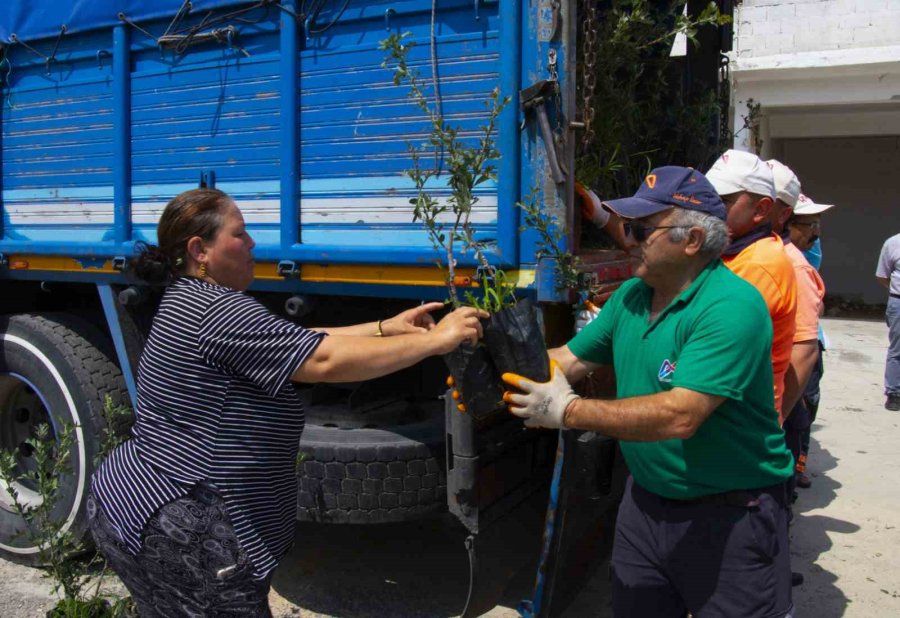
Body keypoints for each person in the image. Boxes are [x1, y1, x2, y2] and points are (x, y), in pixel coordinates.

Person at [88, 188, 487, 617]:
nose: (252, 244)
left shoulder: (191, 299)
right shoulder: (216, 311)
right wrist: (437, 341)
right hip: (182, 527)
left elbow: (295, 342)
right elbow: (323, 360)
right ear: (200, 250)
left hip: (136, 503)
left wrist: (384, 328)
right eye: (240, 234)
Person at [502, 167, 794, 617]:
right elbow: (567, 360)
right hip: (646, 504)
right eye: (628, 227)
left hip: (731, 512)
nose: (629, 239)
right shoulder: (633, 296)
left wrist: (569, 410)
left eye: (641, 230)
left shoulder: (731, 306)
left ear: (692, 239)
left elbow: (681, 414)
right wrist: (498, 375)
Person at [705, 150, 797, 423]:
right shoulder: (732, 252)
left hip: (738, 423)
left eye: (723, 200)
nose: (707, 207)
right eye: (707, 196)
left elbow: (709, 343)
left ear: (761, 210)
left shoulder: (758, 264)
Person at [784, 191, 835, 488]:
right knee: (796, 411)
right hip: (792, 347)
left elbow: (816, 302)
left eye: (818, 224)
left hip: (809, 340)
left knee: (806, 405)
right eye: (809, 224)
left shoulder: (805, 256)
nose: (815, 232)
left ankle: (798, 465)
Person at [876, 232, 900, 411]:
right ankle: (894, 393)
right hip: (898, 302)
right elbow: (882, 275)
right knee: (897, 349)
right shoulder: (893, 243)